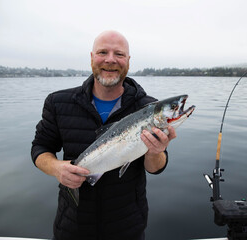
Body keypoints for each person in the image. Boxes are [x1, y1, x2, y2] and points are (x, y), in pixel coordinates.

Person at [31, 30, 176, 240]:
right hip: (72, 227)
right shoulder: (58, 103)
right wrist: (56, 168)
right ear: (91, 57)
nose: (110, 60)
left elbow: (155, 168)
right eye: (102, 52)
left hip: (127, 229)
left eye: (119, 54)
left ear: (128, 61)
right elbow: (40, 148)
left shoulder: (149, 108)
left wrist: (155, 152)